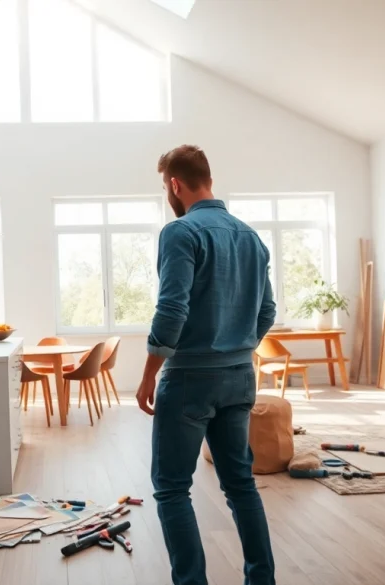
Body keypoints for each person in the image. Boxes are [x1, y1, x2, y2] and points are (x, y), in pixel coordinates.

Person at [138, 145, 276, 585]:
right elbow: (267, 310)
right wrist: (239, 347)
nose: (167, 195)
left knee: (173, 488)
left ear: (175, 184)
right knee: (240, 485)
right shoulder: (251, 237)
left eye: (165, 187)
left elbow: (171, 311)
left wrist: (147, 374)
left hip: (188, 381)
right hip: (240, 378)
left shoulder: (179, 232)